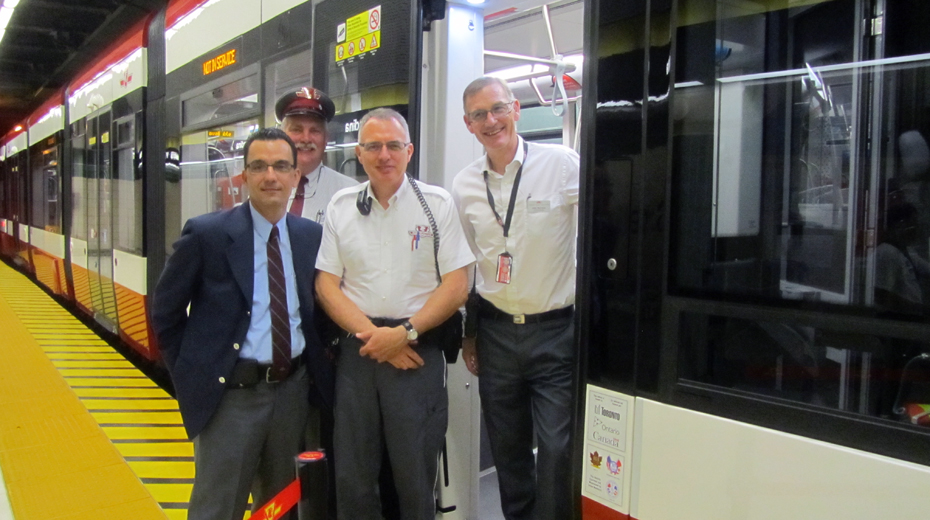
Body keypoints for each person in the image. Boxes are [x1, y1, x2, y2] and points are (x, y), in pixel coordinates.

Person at [151, 128, 334, 520]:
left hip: (291, 394)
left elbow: (315, 311)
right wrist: (194, 373)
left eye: (281, 166)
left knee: (280, 503)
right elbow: (166, 312)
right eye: (260, 166)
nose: (271, 176)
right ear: (244, 175)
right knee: (218, 505)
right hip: (231, 397)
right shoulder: (207, 234)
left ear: (295, 176)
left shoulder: (310, 237)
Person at [314, 108, 474, 519]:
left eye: (393, 145)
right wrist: (376, 338)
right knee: (353, 471)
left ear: (409, 151)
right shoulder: (341, 206)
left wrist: (403, 333)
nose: (384, 154)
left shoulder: (435, 205)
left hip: (417, 352)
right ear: (359, 152)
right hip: (359, 351)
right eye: (373, 146)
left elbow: (457, 284)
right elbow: (326, 285)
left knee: (414, 472)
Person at [451, 76, 580, 520]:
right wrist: (470, 335)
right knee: (508, 453)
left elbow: (603, 230)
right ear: (468, 125)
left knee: (559, 450)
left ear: (516, 110)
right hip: (497, 334)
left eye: (498, 109)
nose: (491, 121)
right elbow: (467, 268)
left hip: (557, 332)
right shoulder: (464, 185)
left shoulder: (562, 164)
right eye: (479, 115)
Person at [276, 87, 358, 223]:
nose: (306, 139)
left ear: (326, 139)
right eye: (297, 129)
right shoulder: (267, 186)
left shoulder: (348, 193)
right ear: (281, 136)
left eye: (315, 131)